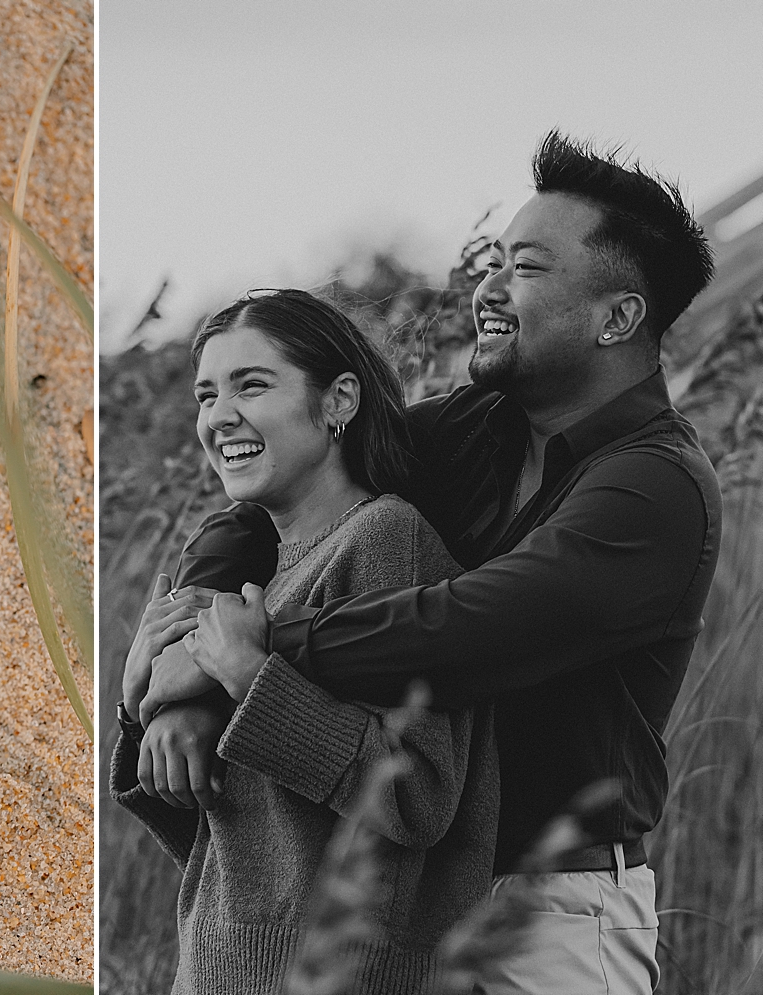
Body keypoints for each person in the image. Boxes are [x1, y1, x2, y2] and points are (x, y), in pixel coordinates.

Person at [132, 132, 721, 994]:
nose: (489, 288)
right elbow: (276, 496)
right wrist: (187, 663)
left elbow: (471, 628)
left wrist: (244, 656)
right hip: (409, 904)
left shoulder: (657, 489)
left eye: (526, 267)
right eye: (496, 263)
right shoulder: (467, 431)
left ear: (618, 317)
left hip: (549, 907)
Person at [110, 289, 496, 993]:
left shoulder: (384, 537)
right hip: (217, 970)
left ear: (339, 400)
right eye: (205, 395)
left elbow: (418, 796)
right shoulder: (257, 577)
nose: (218, 417)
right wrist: (145, 711)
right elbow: (242, 842)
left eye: (250, 385)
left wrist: (248, 678)